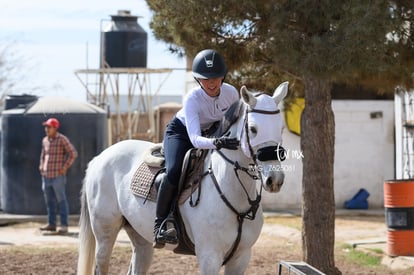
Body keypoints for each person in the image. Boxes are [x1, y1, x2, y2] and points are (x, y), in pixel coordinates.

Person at [154, 49, 240, 248]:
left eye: (216, 78)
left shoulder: (232, 93)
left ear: (223, 77)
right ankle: (160, 224)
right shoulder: (192, 98)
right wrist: (217, 142)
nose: (211, 83)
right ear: (198, 79)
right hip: (182, 133)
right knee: (174, 170)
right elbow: (194, 139)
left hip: (214, 133)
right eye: (205, 78)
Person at [39, 118, 78, 234]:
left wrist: (64, 167)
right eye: (46, 127)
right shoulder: (45, 140)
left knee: (61, 201)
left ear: (55, 128)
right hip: (46, 176)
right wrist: (41, 166)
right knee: (49, 202)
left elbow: (73, 153)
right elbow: (43, 154)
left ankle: (64, 226)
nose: (46, 129)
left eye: (49, 127)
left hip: (57, 177)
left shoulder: (62, 139)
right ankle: (51, 224)